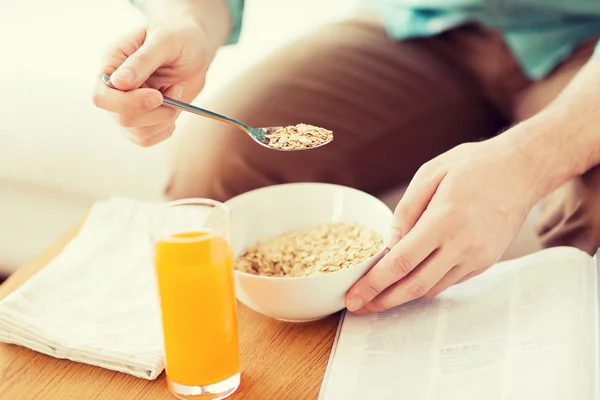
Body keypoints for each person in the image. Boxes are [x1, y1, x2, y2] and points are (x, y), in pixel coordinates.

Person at [92, 0, 600, 315]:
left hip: (586, 41)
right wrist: (186, 20)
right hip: (422, 20)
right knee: (218, 159)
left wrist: (526, 162)